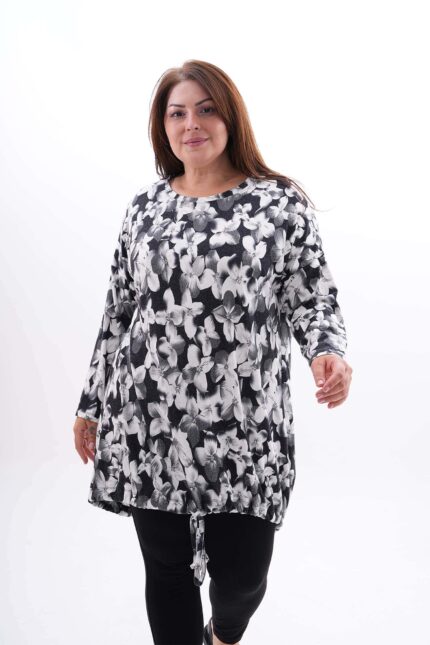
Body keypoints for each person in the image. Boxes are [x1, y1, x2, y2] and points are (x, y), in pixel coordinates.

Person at [73, 59, 352, 645]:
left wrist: (326, 351)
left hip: (246, 425)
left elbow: (311, 294)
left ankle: (222, 635)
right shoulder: (144, 208)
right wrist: (90, 404)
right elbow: (119, 312)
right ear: (162, 126)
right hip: (150, 420)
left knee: (243, 576)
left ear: (231, 118)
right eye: (177, 113)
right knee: (166, 570)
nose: (191, 124)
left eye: (205, 110)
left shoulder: (278, 204)